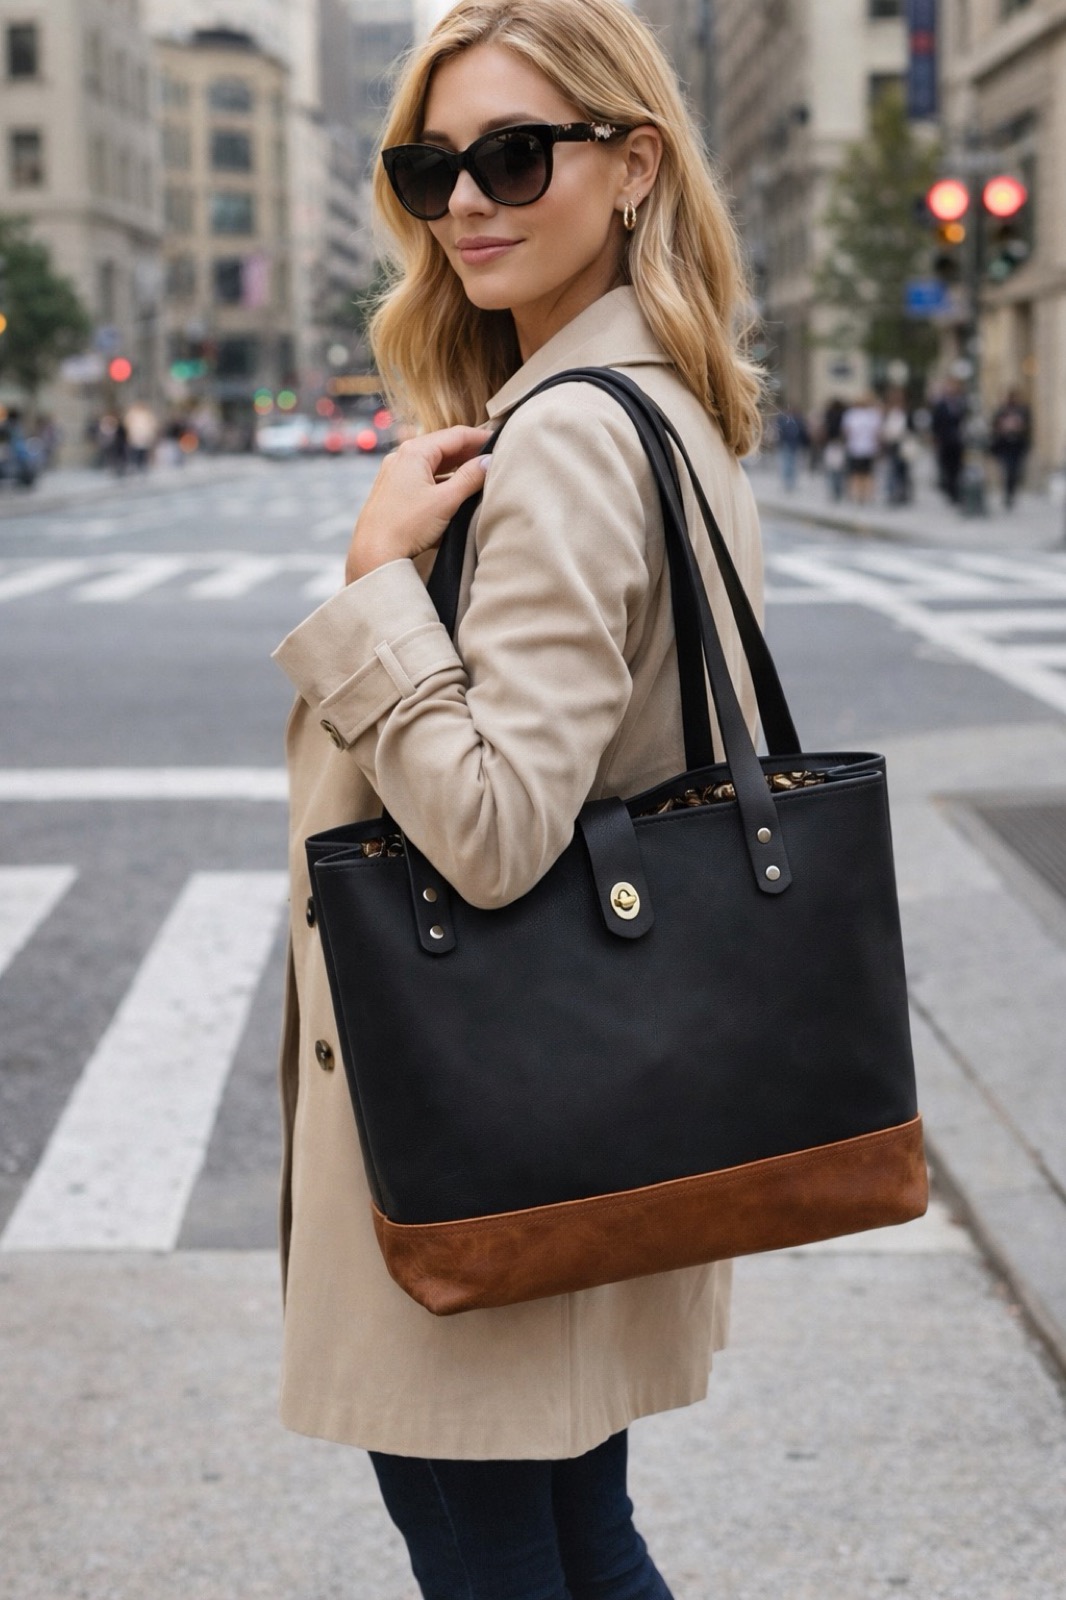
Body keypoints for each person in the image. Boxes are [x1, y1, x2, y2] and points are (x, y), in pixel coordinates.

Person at [272, 2, 764, 1593]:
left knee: (504, 1564)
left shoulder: (563, 437)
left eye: (513, 153)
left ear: (632, 166)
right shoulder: (668, 405)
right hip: (587, 1096)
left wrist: (371, 588)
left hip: (481, 1118)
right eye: (432, 165)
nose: (466, 199)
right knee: (574, 1539)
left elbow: (488, 835)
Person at [990, 387, 1031, 508]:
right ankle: (1007, 494)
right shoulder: (1002, 411)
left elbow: (1028, 427)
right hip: (1004, 446)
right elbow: (994, 426)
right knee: (1008, 470)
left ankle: (1010, 494)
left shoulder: (1023, 411)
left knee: (1015, 472)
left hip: (1018, 446)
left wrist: (1018, 426)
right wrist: (1004, 426)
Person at [931, 377, 967, 505]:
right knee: (947, 468)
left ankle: (956, 492)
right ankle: (951, 492)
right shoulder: (940, 405)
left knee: (958, 468)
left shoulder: (961, 403)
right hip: (945, 441)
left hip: (958, 442)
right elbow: (935, 424)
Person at [841, 392, 882, 504]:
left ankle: (861, 495)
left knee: (859, 473)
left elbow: (846, 431)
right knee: (863, 473)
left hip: (860, 448)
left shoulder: (853, 415)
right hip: (862, 448)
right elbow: (876, 433)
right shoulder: (871, 415)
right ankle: (861, 495)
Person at [774, 401, 807, 491]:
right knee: (786, 464)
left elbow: (802, 432)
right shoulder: (783, 419)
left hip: (795, 444)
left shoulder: (798, 419)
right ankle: (787, 482)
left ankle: (792, 483)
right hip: (786, 444)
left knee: (793, 465)